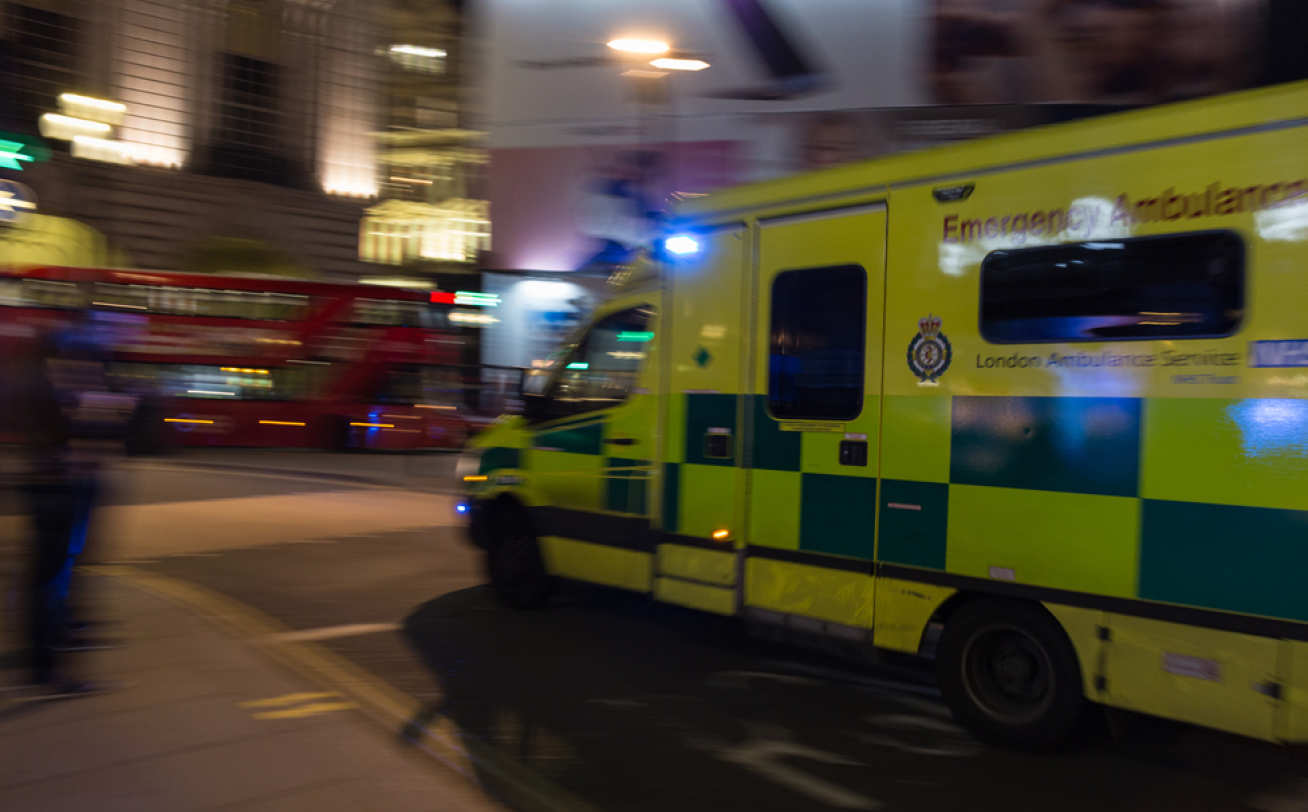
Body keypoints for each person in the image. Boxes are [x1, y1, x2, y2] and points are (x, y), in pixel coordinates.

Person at [14, 306, 134, 694]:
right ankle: (47, 668)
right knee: (53, 576)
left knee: (53, 573)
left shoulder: (39, 373)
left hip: (55, 482)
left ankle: (49, 653)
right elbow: (75, 424)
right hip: (60, 484)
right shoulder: (55, 377)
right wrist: (110, 409)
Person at [575, 151, 664, 271]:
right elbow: (595, 225)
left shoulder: (639, 196)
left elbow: (648, 223)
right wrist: (653, 232)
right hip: (612, 258)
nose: (642, 176)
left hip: (636, 257)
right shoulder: (606, 193)